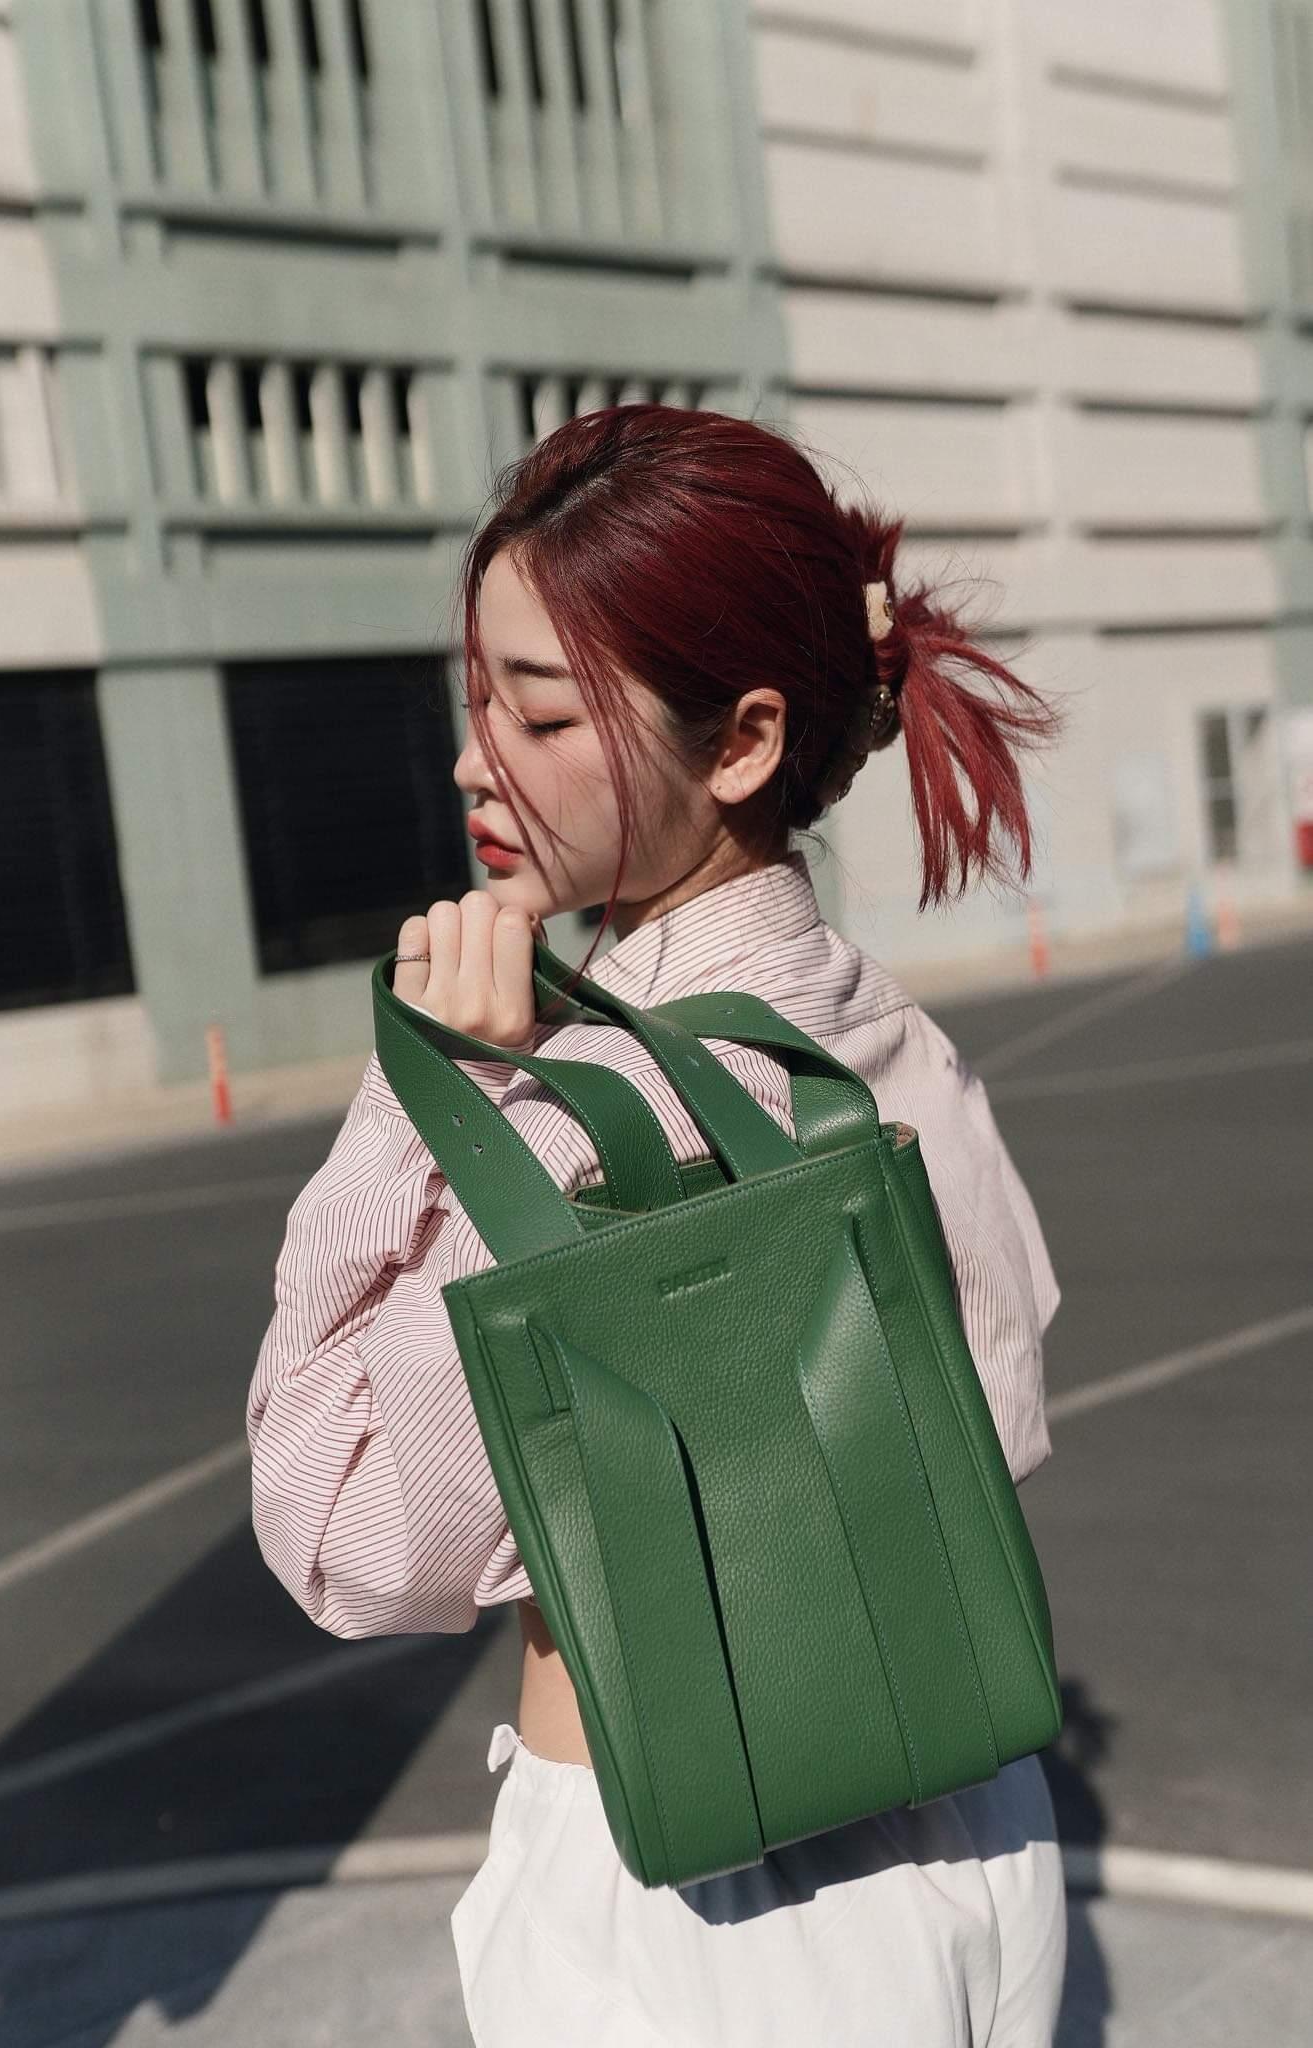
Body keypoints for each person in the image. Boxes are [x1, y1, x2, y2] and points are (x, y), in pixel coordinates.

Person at [247, 403, 1070, 2045]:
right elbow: (1004, 1382)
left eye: (542, 716)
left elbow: (336, 1529)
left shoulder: (604, 1114)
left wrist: (430, 1092)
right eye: (476, 699)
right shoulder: (871, 1030)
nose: (479, 760)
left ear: (744, 741)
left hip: (702, 1909)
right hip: (970, 1823)